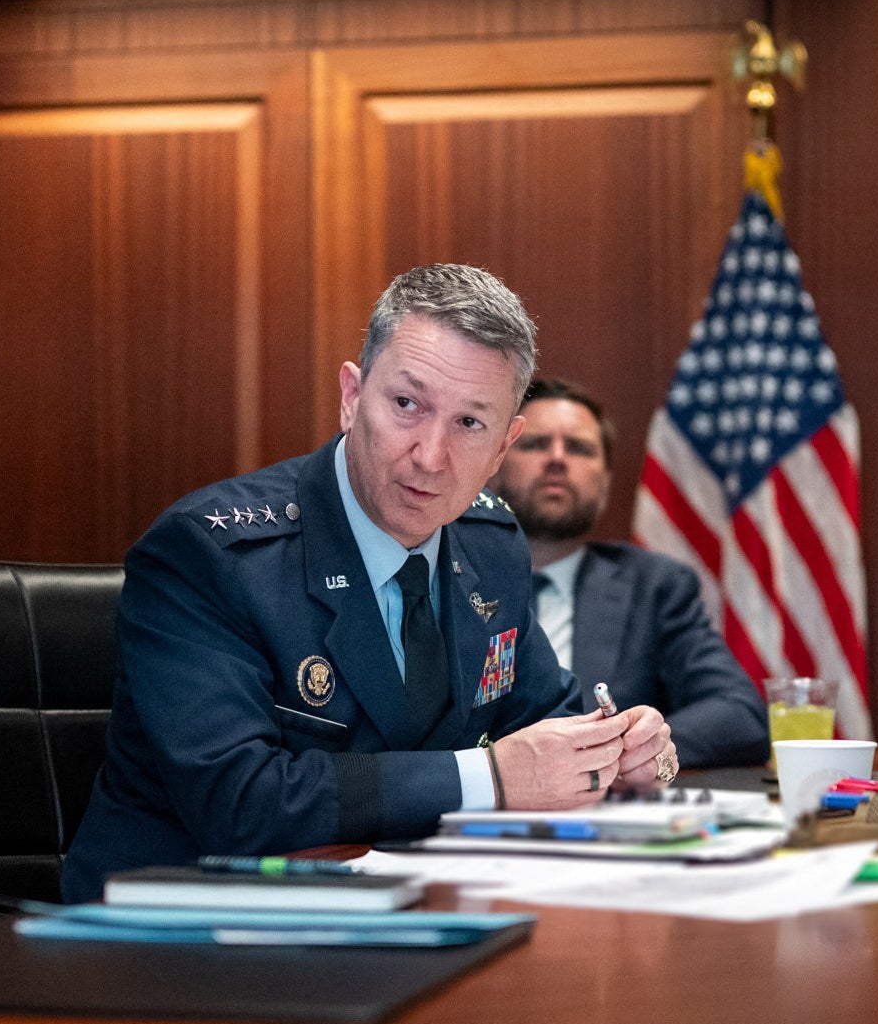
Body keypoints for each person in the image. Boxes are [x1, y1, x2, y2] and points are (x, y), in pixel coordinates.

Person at [63, 265, 678, 899]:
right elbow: (240, 801)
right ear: (352, 397)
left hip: (409, 907)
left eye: (470, 423)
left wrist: (619, 752)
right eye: (407, 405)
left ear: (502, 447)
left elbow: (545, 719)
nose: (431, 456)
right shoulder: (211, 555)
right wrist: (491, 778)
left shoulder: (490, 544)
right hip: (184, 922)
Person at [494, 377, 768, 770]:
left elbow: (739, 714)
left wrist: (623, 753)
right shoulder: (441, 573)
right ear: (493, 465)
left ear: (606, 482)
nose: (557, 459)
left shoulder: (655, 587)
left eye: (579, 448)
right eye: (535, 444)